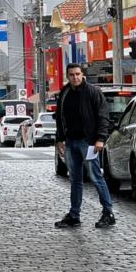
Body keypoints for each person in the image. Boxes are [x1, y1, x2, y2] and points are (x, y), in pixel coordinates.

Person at [54, 63, 115, 229]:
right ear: (68, 76)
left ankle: (108, 213)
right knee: (75, 180)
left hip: (88, 143)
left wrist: (100, 139)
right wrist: (59, 139)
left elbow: (103, 117)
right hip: (71, 142)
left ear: (83, 75)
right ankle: (74, 215)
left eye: (78, 74)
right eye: (72, 75)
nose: (75, 77)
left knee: (96, 177)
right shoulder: (65, 92)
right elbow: (59, 118)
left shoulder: (93, 92)